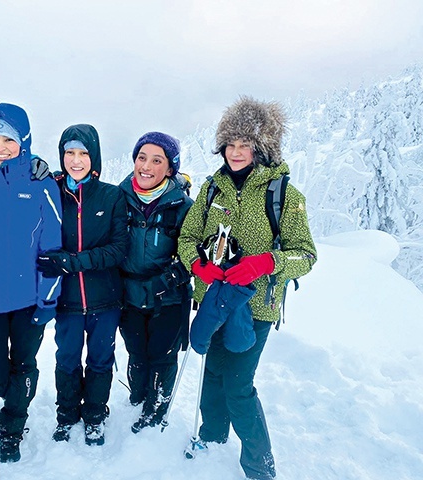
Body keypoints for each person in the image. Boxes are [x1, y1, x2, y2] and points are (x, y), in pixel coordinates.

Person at [178, 96, 317, 480]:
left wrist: (267, 263)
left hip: (256, 307)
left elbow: (305, 254)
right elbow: (187, 238)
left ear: (262, 148)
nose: (236, 153)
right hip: (212, 300)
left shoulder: (283, 195)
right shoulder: (211, 190)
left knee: (239, 386)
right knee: (212, 377)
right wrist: (198, 265)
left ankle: (259, 468)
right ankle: (212, 439)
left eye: (246, 145)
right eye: (231, 144)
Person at [0, 103, 63, 463]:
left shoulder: (41, 183)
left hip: (28, 301)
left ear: (23, 140)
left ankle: (12, 427)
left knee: (24, 365)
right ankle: (13, 397)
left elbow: (51, 245)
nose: (0, 146)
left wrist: (48, 299)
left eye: (8, 138)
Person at [36, 124, 129, 446]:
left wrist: (71, 262)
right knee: (67, 359)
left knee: (101, 360)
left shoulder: (112, 195)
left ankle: (94, 416)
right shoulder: (51, 193)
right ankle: (66, 415)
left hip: (105, 299)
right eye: (69, 152)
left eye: (83, 153)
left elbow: (118, 249)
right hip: (67, 301)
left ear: (95, 156)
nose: (76, 160)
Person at [118, 132, 193, 433]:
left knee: (162, 355)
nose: (146, 166)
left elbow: (193, 251)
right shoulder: (118, 199)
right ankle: (137, 397)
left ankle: (156, 410)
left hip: (168, 297)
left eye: (157, 160)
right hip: (129, 294)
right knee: (136, 350)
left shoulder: (184, 207)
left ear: (170, 169)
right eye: (141, 157)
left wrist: (174, 276)